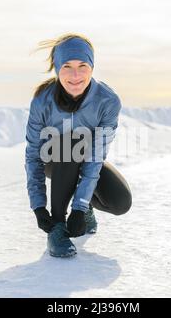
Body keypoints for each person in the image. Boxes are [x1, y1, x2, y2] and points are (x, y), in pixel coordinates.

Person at [25, 33, 132, 258]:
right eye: (67, 66)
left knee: (120, 202)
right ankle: (57, 229)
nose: (76, 75)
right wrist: (38, 206)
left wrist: (80, 208)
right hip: (51, 160)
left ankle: (85, 205)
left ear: (92, 67)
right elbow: (33, 155)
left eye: (82, 65)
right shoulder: (42, 101)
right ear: (57, 69)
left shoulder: (107, 101)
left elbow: (96, 156)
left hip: (87, 158)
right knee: (71, 141)